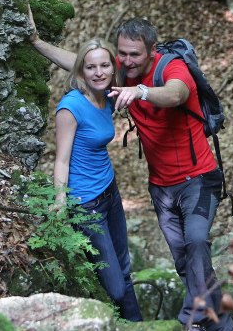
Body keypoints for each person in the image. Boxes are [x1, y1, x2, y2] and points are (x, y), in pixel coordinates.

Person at [27, 7, 232, 331]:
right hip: (162, 187)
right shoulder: (124, 73)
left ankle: (213, 322)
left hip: (199, 180)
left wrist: (142, 91)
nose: (127, 61)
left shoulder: (171, 68)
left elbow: (177, 93)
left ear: (152, 50)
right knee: (182, 259)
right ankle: (207, 317)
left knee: (195, 241)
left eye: (133, 55)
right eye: (121, 54)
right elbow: (85, 67)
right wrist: (37, 42)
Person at [49, 37, 143, 322]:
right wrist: (60, 200)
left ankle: (137, 326)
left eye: (104, 66)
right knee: (115, 288)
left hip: (110, 192)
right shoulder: (71, 107)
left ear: (112, 70)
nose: (99, 72)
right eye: (91, 67)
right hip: (86, 204)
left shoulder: (107, 97)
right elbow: (61, 160)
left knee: (125, 271)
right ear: (81, 72)